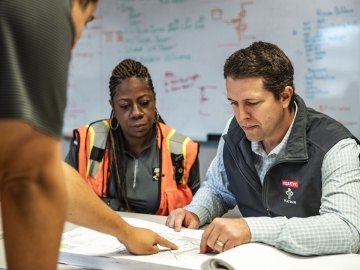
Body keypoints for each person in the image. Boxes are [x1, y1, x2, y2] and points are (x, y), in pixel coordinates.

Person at [0, 1, 176, 269]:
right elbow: (33, 178)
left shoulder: (178, 145)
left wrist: (126, 233)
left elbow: (48, 173)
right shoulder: (45, 11)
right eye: (89, 20)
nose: (77, 38)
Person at [166, 41, 360, 256]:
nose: (241, 116)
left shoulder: (335, 146)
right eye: (234, 103)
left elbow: (347, 230)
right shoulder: (234, 132)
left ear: (285, 96)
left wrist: (252, 229)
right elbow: (218, 189)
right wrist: (194, 212)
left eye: (252, 103)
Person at [65, 58, 200, 216]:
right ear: (113, 106)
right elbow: (63, 197)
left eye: (144, 102)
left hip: (156, 238)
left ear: (154, 100)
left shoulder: (182, 149)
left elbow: (195, 213)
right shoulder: (87, 141)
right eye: (125, 106)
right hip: (100, 236)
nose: (136, 112)